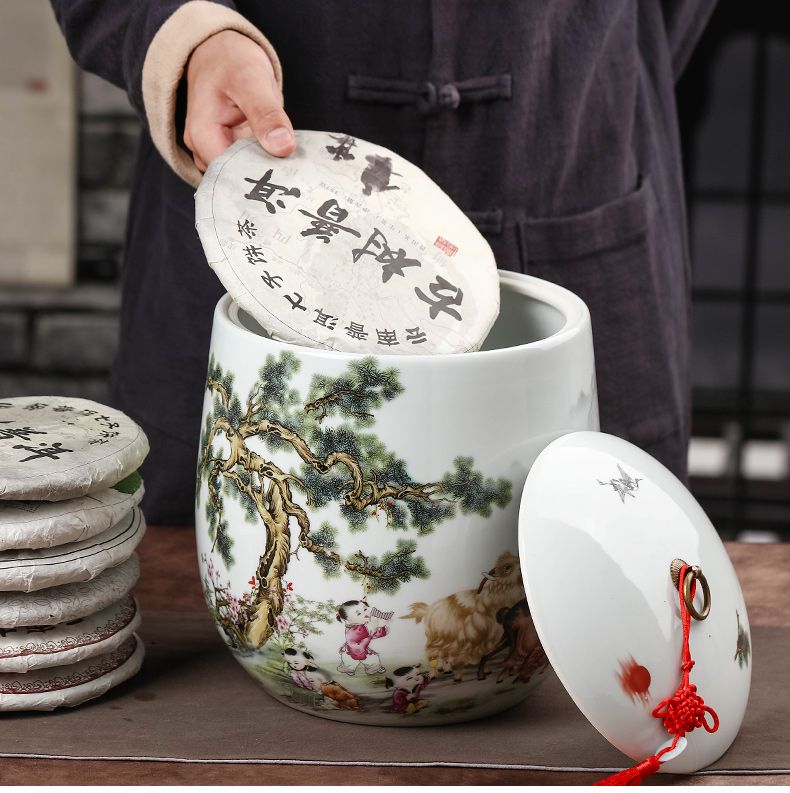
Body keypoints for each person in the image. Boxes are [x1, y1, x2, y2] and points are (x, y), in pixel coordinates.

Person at [49, 0, 717, 525]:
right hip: (258, 204)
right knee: (235, 618)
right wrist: (189, 36)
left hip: (569, 176)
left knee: (596, 601)